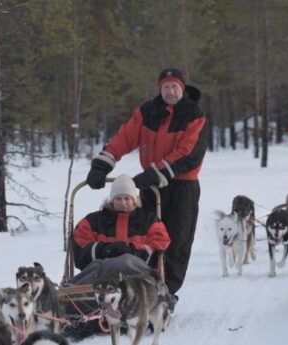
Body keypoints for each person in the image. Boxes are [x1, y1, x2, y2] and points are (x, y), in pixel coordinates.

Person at [84, 68, 207, 310]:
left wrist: (154, 173)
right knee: (145, 237)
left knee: (177, 241)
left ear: (182, 89)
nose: (170, 92)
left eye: (175, 87)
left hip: (182, 186)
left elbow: (189, 153)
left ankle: (166, 292)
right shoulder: (148, 112)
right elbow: (125, 137)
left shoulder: (193, 114)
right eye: (166, 87)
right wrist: (102, 164)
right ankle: (140, 288)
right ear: (159, 88)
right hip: (151, 187)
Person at [72, 174, 171, 270]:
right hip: (100, 274)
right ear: (112, 200)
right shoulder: (93, 221)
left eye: (127, 198)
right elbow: (81, 246)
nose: (122, 203)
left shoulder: (149, 220)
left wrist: (134, 252)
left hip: (139, 274)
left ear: (134, 200)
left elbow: (159, 242)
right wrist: (103, 250)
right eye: (118, 199)